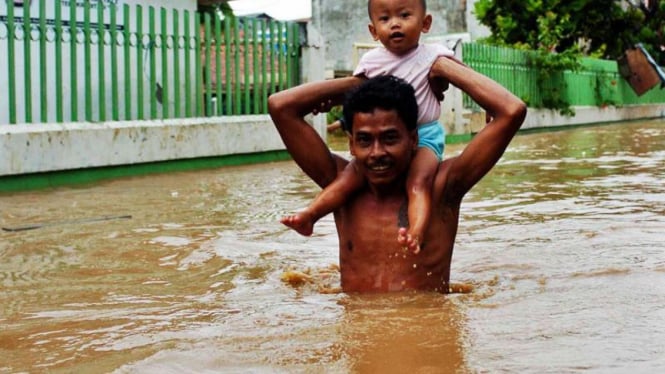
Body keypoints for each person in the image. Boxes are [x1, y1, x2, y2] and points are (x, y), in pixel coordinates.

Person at [268, 58, 526, 293]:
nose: (377, 153)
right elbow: (280, 106)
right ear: (351, 144)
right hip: (358, 339)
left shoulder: (442, 187)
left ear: (413, 139)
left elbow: (511, 110)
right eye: (365, 140)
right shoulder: (339, 188)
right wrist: (360, 84)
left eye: (390, 138)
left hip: (426, 336)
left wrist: (439, 66)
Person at [280, 0, 455, 254]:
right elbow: (358, 92)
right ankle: (310, 215)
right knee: (346, 180)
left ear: (425, 23)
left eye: (405, 15)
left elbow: (464, 78)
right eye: (384, 19)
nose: (395, 24)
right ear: (373, 31)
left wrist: (487, 108)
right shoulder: (371, 61)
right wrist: (329, 102)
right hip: (387, 135)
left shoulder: (435, 55)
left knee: (418, 183)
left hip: (426, 135)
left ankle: (416, 232)